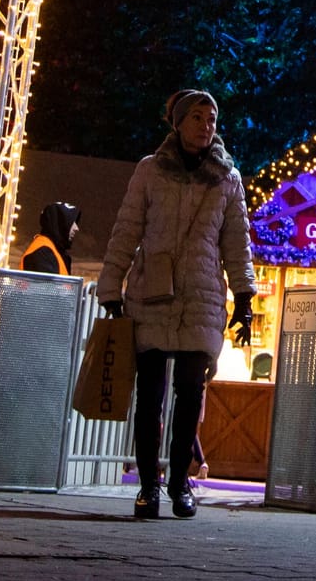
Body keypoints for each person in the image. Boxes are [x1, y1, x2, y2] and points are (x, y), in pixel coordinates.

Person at [99, 90, 255, 521]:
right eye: (197, 116)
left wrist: (244, 298)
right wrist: (111, 287)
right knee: (149, 396)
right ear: (178, 122)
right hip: (152, 292)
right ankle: (148, 485)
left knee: (190, 393)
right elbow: (126, 229)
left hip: (202, 296)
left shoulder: (227, 179)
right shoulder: (150, 171)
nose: (206, 124)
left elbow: (237, 244)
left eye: (212, 117)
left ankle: (179, 483)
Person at [20, 201, 81, 276]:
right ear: (60, 223)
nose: (76, 228)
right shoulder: (42, 252)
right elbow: (48, 287)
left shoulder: (54, 251)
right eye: (71, 222)